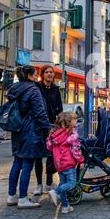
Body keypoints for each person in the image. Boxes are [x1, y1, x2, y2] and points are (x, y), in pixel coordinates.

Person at [6, 65, 52, 209]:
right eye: (36, 74)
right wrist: (48, 128)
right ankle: (23, 198)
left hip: (17, 129)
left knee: (17, 163)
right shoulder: (33, 90)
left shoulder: (14, 89)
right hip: (30, 130)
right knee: (27, 164)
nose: (37, 77)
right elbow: (39, 112)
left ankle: (11, 195)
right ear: (31, 76)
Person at [46, 112, 84, 214]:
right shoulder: (71, 135)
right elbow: (76, 150)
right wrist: (81, 161)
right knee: (72, 183)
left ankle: (65, 206)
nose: (77, 121)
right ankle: (55, 191)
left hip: (58, 164)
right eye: (75, 119)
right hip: (68, 163)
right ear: (69, 122)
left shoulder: (55, 134)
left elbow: (49, 146)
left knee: (63, 184)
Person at [34, 65, 63, 196]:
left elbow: (60, 108)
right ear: (43, 74)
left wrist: (60, 124)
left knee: (52, 155)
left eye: (51, 72)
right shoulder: (37, 88)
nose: (50, 74)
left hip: (52, 126)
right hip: (39, 125)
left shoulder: (56, 89)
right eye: (47, 72)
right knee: (38, 156)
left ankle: (49, 182)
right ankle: (39, 184)